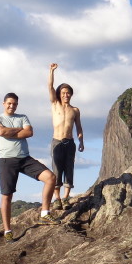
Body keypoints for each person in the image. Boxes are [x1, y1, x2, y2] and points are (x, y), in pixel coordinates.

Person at [0, 92, 57, 240]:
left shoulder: (22, 117)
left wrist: (10, 132)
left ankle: (45, 214)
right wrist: (18, 131)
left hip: (25, 158)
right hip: (6, 160)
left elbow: (29, 132)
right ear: (4, 104)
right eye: (9, 103)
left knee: (50, 178)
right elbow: (0, 131)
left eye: (14, 104)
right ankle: (8, 231)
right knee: (7, 196)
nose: (11, 106)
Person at [47, 63, 84, 209]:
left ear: (71, 94)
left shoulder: (75, 110)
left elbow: (79, 127)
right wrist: (51, 71)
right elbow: (50, 87)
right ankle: (57, 198)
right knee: (56, 169)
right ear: (59, 95)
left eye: (68, 93)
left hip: (70, 143)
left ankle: (66, 197)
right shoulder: (55, 104)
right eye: (63, 93)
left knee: (69, 169)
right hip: (57, 141)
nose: (65, 95)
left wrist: (81, 141)